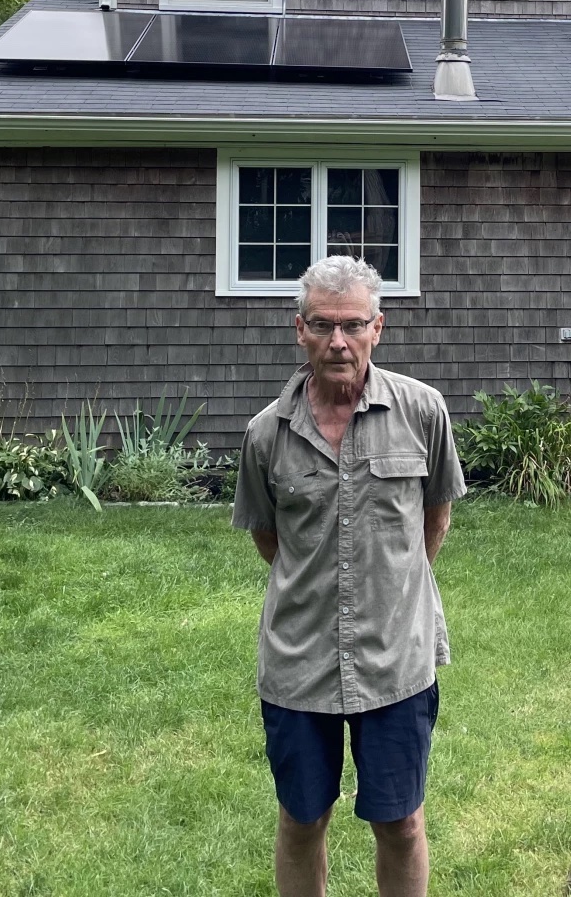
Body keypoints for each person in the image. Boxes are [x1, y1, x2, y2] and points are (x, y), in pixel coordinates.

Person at [232, 255, 466, 897]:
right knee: (302, 821)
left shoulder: (423, 411)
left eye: (353, 325)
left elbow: (435, 518)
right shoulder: (265, 435)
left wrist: (391, 592)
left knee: (401, 823)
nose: (338, 341)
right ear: (299, 329)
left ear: (378, 328)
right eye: (323, 325)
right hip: (298, 664)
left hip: (396, 661)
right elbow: (268, 537)